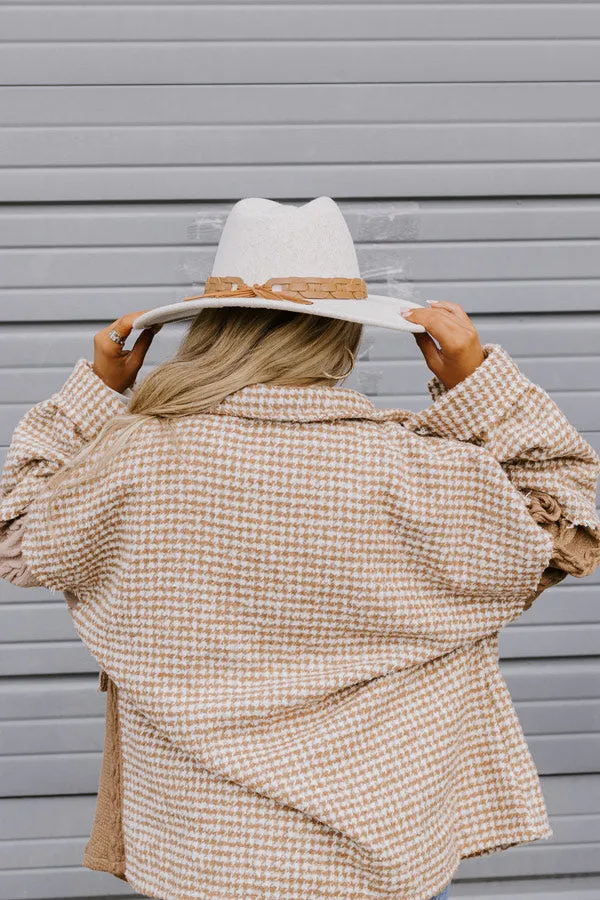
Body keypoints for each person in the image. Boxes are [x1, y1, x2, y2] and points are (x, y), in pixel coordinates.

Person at [1, 197, 599, 900]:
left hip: (198, 851)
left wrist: (96, 394)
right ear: (343, 338)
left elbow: (16, 531)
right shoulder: (419, 472)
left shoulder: (133, 460)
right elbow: (570, 522)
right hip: (376, 853)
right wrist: (477, 382)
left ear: (209, 329)